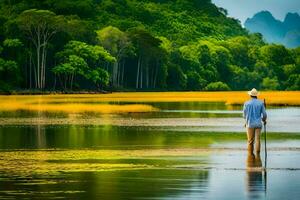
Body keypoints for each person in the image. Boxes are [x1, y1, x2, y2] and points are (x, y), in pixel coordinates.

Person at [243, 88, 267, 155]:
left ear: (250, 95)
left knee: (250, 141)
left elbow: (244, 115)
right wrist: (264, 120)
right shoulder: (261, 103)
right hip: (258, 124)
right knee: (257, 140)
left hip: (249, 124)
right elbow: (264, 114)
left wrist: (246, 122)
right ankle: (258, 155)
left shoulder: (246, 103)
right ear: (257, 95)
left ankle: (250, 155)